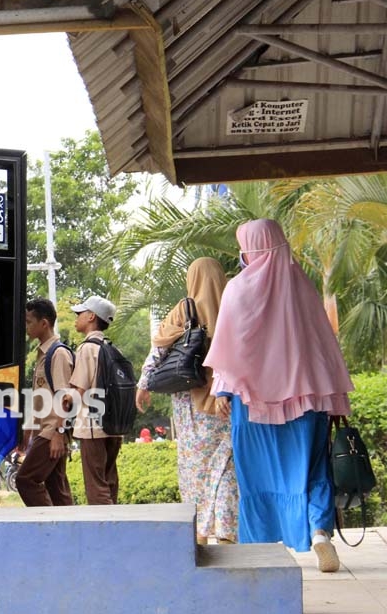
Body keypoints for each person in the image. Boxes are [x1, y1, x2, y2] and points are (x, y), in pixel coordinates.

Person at [205, 219, 352, 572]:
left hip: (252, 404)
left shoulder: (238, 289)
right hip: (308, 399)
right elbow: (322, 346)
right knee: (313, 469)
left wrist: (222, 389)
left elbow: (230, 347)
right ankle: (319, 533)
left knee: (256, 476)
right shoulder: (301, 285)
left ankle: (261, 548)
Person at [136, 257, 238, 545]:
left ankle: (200, 533)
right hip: (226, 401)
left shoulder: (184, 308)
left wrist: (144, 384)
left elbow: (158, 350)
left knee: (195, 468)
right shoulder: (236, 307)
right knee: (226, 469)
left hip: (190, 404)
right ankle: (227, 531)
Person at [15, 298, 73, 506]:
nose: (26, 326)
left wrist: (58, 435)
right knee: (57, 489)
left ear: (44, 323)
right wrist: (29, 429)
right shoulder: (43, 355)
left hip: (51, 431)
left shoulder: (58, 354)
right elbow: (41, 399)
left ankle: (48, 528)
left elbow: (65, 399)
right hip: (45, 430)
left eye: (29, 321)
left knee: (25, 480)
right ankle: (69, 532)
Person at [68, 295, 124, 505]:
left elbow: (79, 391)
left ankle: (103, 530)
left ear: (91, 316)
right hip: (114, 425)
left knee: (96, 484)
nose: (76, 317)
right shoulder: (111, 347)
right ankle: (114, 527)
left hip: (92, 425)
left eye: (79, 313)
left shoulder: (87, 348)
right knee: (110, 480)